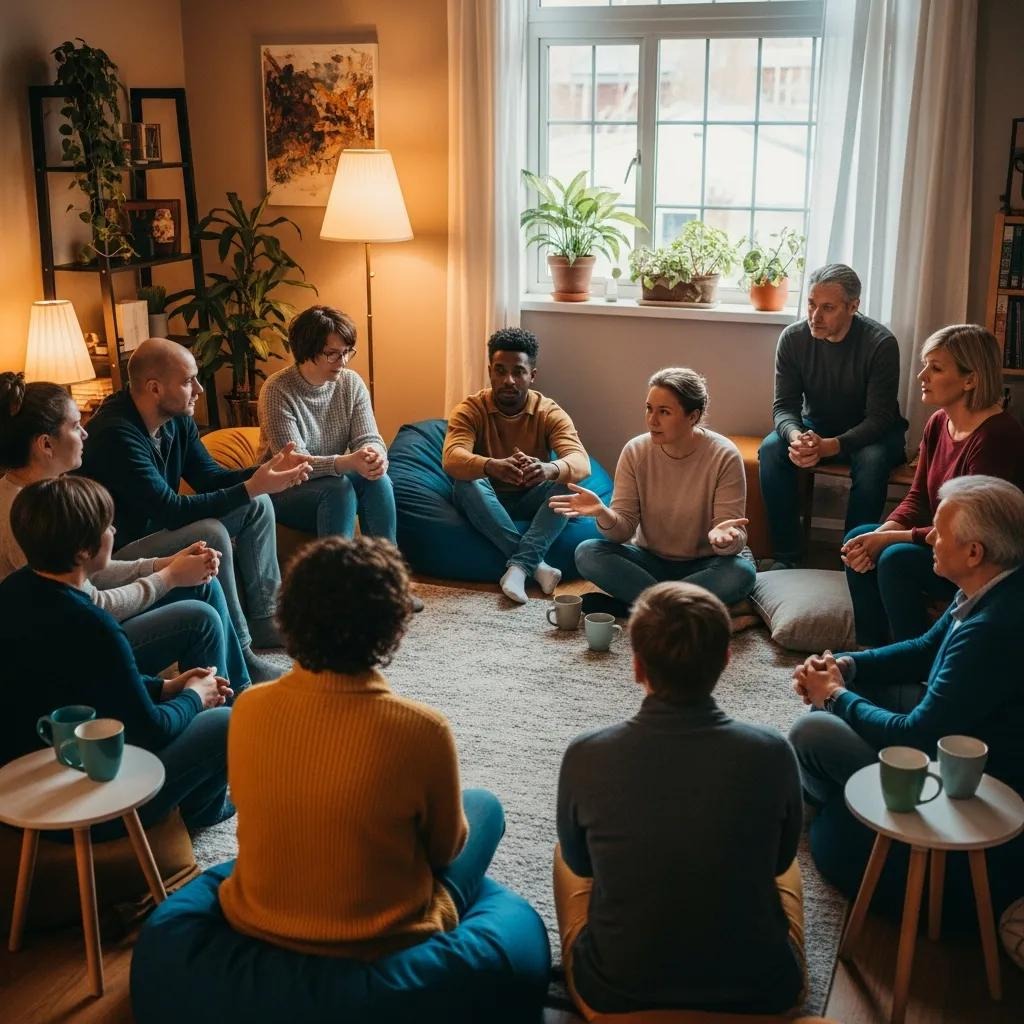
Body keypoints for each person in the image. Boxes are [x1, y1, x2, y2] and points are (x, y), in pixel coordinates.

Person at [218, 536, 506, 959]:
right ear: (393, 627)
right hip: (386, 933)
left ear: (289, 615)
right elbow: (444, 851)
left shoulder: (247, 707)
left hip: (258, 917)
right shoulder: (423, 729)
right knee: (485, 807)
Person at [554, 581, 805, 1018]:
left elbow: (582, 865)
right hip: (761, 996)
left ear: (636, 666)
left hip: (616, 994)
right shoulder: (773, 751)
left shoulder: (586, 754)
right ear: (726, 659)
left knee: (564, 853)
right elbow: (780, 860)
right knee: (790, 867)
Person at [789, 475, 1024, 916]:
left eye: (941, 532)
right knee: (856, 688)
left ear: (974, 552)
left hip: (965, 787)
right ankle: (841, 801)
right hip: (951, 736)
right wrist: (845, 665)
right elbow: (922, 650)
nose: (929, 538)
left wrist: (834, 695)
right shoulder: (992, 586)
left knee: (812, 730)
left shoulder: (993, 631)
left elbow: (916, 734)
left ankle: (836, 807)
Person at [0, 476, 234, 834]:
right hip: (80, 806)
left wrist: (164, 688)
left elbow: (91, 684)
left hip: (21, 792)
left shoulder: (14, 591)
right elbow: (153, 730)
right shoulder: (95, 626)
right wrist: (194, 696)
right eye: (107, 526)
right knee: (226, 723)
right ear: (83, 551)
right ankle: (203, 811)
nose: (114, 530)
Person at [0, 373, 251, 687]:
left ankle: (238, 691)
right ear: (46, 444)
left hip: (86, 621)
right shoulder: (25, 514)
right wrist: (169, 576)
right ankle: (218, 700)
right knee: (199, 618)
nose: (85, 433)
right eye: (75, 426)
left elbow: (87, 575)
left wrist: (163, 563)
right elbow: (92, 605)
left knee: (203, 584)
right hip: (70, 653)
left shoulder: (46, 492)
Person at [78, 338, 311, 676]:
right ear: (155, 388)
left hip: (156, 534)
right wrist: (252, 486)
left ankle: (265, 619)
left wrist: (265, 472)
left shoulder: (176, 418)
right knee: (210, 532)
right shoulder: (115, 434)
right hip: (116, 554)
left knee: (257, 504)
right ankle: (241, 652)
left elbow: (209, 478)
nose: (199, 389)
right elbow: (169, 509)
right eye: (189, 381)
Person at [842, 324, 1024, 645]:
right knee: (858, 538)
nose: (921, 376)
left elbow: (973, 530)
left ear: (970, 380)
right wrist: (877, 536)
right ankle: (872, 648)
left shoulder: (997, 436)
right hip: (944, 541)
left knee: (895, 558)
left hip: (979, 558)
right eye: (925, 365)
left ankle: (916, 655)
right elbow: (917, 499)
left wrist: (888, 540)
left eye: (936, 368)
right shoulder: (938, 422)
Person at [552, 368, 755, 618]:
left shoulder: (724, 455)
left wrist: (725, 540)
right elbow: (622, 532)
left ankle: (638, 607)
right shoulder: (635, 451)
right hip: (649, 562)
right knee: (588, 553)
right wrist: (602, 513)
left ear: (693, 416)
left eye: (664, 412)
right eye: (649, 409)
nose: (652, 420)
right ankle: (677, 609)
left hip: (705, 566)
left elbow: (732, 533)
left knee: (742, 573)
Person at [256, 305, 421, 611]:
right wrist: (346, 463)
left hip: (330, 481)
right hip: (283, 490)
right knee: (339, 488)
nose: (342, 361)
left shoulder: (350, 383)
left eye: (347, 352)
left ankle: (388, 583)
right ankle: (336, 595)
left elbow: (369, 437)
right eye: (332, 354)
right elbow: (295, 463)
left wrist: (375, 456)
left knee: (377, 480)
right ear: (307, 350)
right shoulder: (277, 390)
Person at [758, 263, 908, 568]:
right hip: (816, 427)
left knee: (871, 460)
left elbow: (879, 418)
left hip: (874, 434)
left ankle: (851, 561)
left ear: (853, 307)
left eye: (828, 308)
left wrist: (832, 446)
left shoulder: (880, 343)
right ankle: (787, 558)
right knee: (772, 449)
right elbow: (784, 406)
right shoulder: (793, 338)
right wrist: (797, 438)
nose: (815, 316)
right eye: (811, 304)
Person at [442, 327, 590, 604]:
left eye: (518, 372)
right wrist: (491, 466)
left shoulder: (548, 411)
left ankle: (520, 567)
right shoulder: (470, 409)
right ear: (490, 372)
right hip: (486, 502)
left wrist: (548, 469)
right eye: (500, 371)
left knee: (567, 485)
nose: (508, 380)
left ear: (532, 375)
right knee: (465, 482)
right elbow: (452, 457)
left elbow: (581, 461)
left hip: (531, 499)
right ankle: (535, 566)